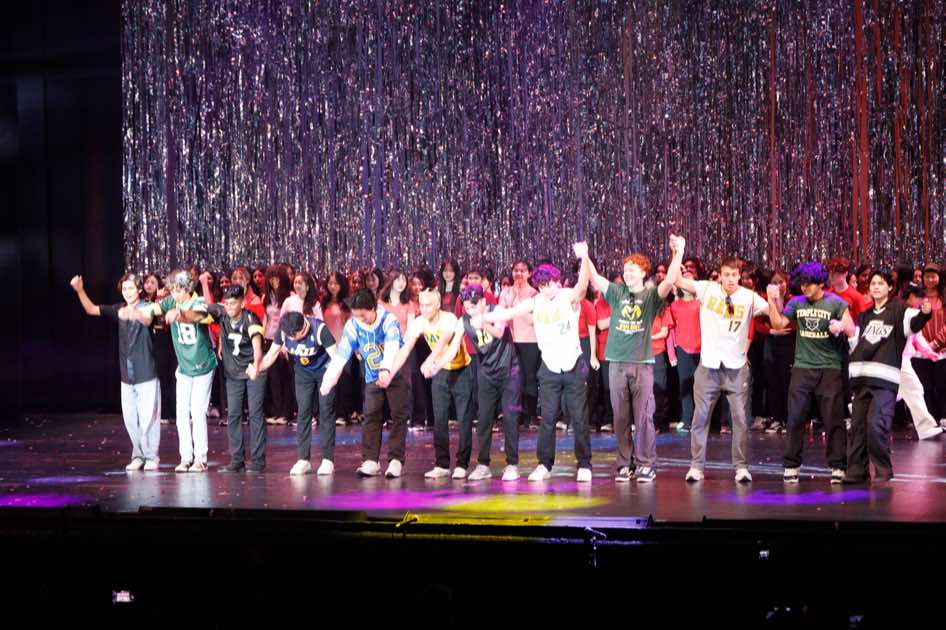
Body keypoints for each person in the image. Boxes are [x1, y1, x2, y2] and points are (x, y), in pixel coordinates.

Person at [483, 242, 594, 482]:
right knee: (548, 418)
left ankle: (584, 464)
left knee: (578, 417)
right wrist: (483, 317)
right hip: (550, 368)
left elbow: (583, 285)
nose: (546, 289)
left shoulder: (567, 296)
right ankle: (544, 464)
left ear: (557, 282)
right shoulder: (536, 301)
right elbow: (508, 313)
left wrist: (584, 257)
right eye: (542, 285)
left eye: (549, 284)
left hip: (573, 366)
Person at [588, 236, 685, 482]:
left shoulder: (650, 296)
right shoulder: (617, 292)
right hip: (616, 363)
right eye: (625, 269)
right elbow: (595, 277)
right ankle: (624, 463)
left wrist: (679, 252)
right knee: (620, 418)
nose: (627, 273)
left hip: (642, 364)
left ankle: (646, 463)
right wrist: (585, 256)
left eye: (632, 269)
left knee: (643, 417)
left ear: (643, 273)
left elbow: (670, 280)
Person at [676, 255, 770, 483]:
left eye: (734, 275)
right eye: (726, 275)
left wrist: (775, 299)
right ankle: (696, 467)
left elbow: (773, 314)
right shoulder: (707, 289)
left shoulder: (749, 297)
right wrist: (677, 253)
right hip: (709, 365)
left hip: (736, 368)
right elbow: (677, 281)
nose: (730, 279)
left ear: (739, 276)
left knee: (740, 419)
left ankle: (741, 467)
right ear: (720, 275)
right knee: (700, 418)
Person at [766, 262, 854, 483]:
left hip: (830, 368)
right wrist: (771, 300)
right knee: (795, 418)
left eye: (809, 284)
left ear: (820, 283)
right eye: (802, 283)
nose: (804, 287)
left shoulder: (836, 302)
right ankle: (791, 465)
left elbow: (852, 328)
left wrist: (840, 326)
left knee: (833, 419)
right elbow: (778, 324)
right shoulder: (797, 302)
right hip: (802, 367)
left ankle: (838, 466)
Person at [844, 270, 932, 483]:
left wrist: (925, 314)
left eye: (881, 283)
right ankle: (857, 471)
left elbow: (915, 322)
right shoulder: (865, 315)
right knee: (857, 427)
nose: (875, 287)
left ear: (890, 287)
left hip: (884, 380)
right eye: (873, 283)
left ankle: (883, 470)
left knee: (877, 424)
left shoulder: (899, 311)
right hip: (862, 377)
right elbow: (858, 344)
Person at [70, 273, 161, 471]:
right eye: (125, 288)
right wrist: (80, 290)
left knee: (148, 419)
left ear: (139, 290)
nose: (127, 292)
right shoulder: (118, 308)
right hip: (127, 375)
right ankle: (138, 456)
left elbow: (147, 320)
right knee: (131, 420)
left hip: (146, 373)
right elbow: (91, 309)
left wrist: (134, 314)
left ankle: (151, 456)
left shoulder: (148, 306)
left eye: (131, 288)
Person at [320, 289, 409, 478]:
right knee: (371, 415)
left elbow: (392, 345)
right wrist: (330, 377)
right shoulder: (353, 325)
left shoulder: (388, 320)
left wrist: (386, 369)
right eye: (356, 315)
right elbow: (342, 353)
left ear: (373, 308)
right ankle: (370, 460)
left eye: (363, 315)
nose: (360, 319)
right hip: (371, 376)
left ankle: (395, 460)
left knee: (398, 415)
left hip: (395, 374)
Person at [387, 288, 475, 479]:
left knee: (464, 419)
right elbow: (406, 348)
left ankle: (462, 464)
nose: (424, 309)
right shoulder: (419, 322)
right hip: (440, 372)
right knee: (439, 418)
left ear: (437, 305)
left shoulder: (449, 319)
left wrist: (430, 361)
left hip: (461, 370)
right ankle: (442, 464)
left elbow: (444, 341)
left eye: (428, 305)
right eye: (422, 304)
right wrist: (390, 372)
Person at [147, 270, 218, 472]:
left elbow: (202, 317)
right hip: (184, 367)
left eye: (178, 290)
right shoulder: (172, 301)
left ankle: (200, 459)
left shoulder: (198, 302)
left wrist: (180, 314)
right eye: (173, 290)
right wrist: (138, 311)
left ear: (188, 289)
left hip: (203, 365)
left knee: (197, 411)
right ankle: (186, 457)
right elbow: (154, 308)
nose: (175, 294)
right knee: (181, 413)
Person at [258, 311, 338, 475]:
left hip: (325, 371)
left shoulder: (319, 329)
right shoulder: (284, 331)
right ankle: (303, 460)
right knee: (303, 412)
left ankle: (327, 460)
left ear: (302, 329)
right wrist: (257, 368)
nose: (291, 340)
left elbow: (337, 359)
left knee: (326, 411)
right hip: (303, 374)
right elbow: (272, 354)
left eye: (294, 337)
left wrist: (330, 380)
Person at [204, 285, 267, 473]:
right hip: (233, 374)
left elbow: (257, 345)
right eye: (227, 304)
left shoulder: (250, 318)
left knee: (255, 414)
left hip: (253, 370)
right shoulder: (222, 315)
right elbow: (204, 308)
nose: (230, 307)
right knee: (233, 415)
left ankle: (258, 461)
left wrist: (256, 365)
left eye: (233, 303)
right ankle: (237, 460)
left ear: (242, 303)